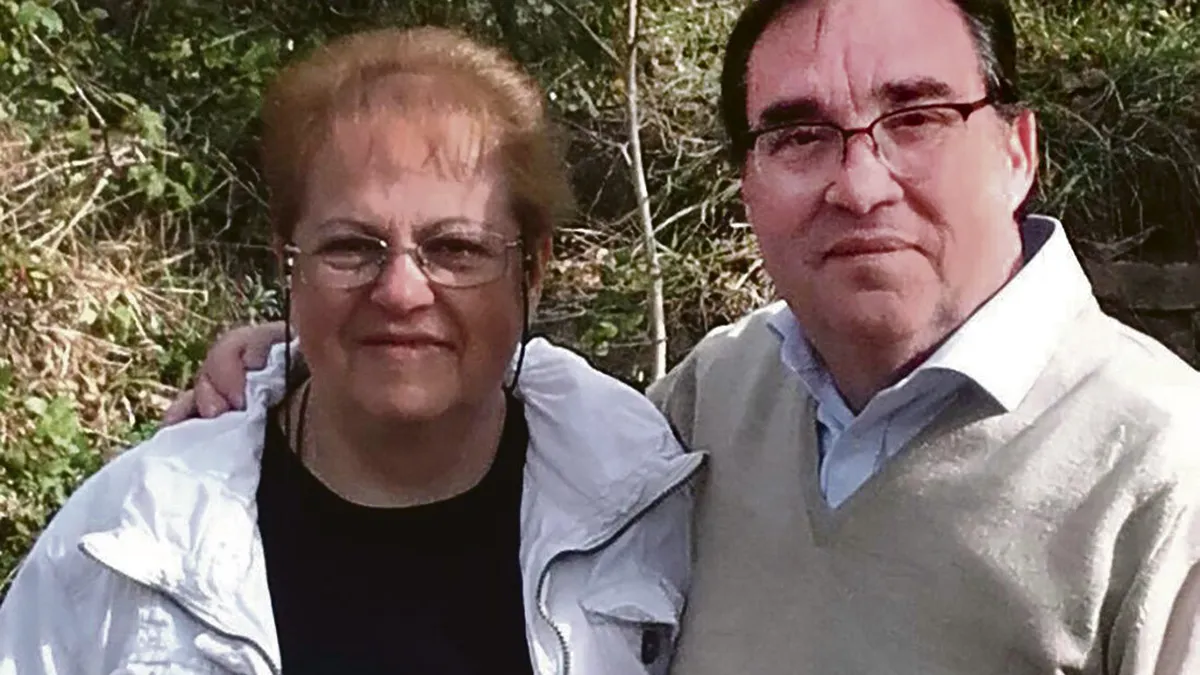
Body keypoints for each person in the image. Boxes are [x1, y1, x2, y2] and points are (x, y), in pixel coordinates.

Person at [158, 0, 1200, 673]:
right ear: (749, 183)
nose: (860, 182)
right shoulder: (724, 395)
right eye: (800, 134)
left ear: (1016, 149)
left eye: (917, 117)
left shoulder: (1164, 472)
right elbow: (505, 407)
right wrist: (322, 350)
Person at [0, 26, 704, 675]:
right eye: (350, 247)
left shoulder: (642, 494)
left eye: (455, 248)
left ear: (533, 269)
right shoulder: (132, 538)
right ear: (289, 262)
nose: (400, 291)